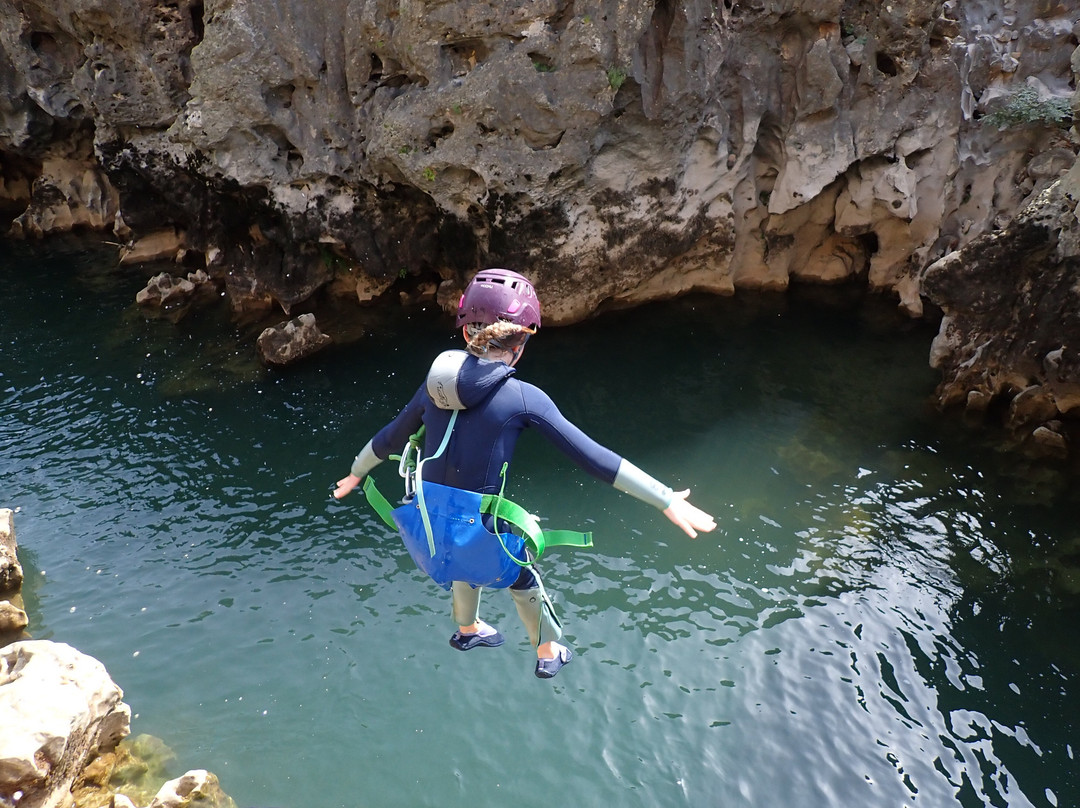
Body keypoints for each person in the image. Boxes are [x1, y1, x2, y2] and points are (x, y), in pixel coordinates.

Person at [333, 268, 715, 679]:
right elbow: (593, 457)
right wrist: (665, 498)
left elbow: (389, 438)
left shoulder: (433, 386)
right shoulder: (522, 398)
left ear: (466, 333)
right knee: (521, 574)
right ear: (520, 343)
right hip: (474, 538)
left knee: (465, 554)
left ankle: (467, 630)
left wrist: (355, 475)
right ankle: (548, 650)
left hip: (426, 538)